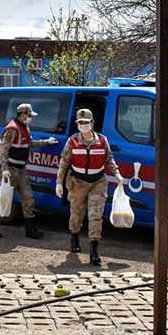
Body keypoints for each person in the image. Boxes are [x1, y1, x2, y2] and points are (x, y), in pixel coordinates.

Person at [55, 108, 124, 265]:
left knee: (95, 215)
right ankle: (74, 238)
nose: (84, 125)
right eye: (81, 123)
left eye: (86, 122)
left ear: (92, 123)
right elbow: (64, 163)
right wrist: (59, 182)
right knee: (76, 215)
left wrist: (117, 173)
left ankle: (94, 251)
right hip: (77, 182)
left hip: (98, 182)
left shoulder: (102, 140)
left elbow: (109, 159)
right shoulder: (72, 141)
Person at [0, 103, 57, 239]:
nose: (31, 118)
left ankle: (30, 229)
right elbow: (3, 150)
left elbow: (30, 143)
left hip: (21, 169)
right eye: (30, 115)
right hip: (11, 170)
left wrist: (47, 142)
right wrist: (5, 169)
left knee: (28, 198)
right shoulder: (12, 129)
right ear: (23, 114)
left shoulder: (25, 127)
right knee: (3, 198)